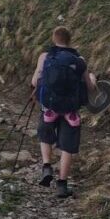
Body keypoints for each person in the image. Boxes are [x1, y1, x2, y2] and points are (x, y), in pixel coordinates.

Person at [31, 26, 97, 199]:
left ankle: (46, 166)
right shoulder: (79, 60)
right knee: (67, 147)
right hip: (70, 110)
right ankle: (61, 185)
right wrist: (93, 79)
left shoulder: (45, 57)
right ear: (70, 40)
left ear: (54, 39)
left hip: (49, 107)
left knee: (45, 135)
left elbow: (34, 81)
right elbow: (90, 88)